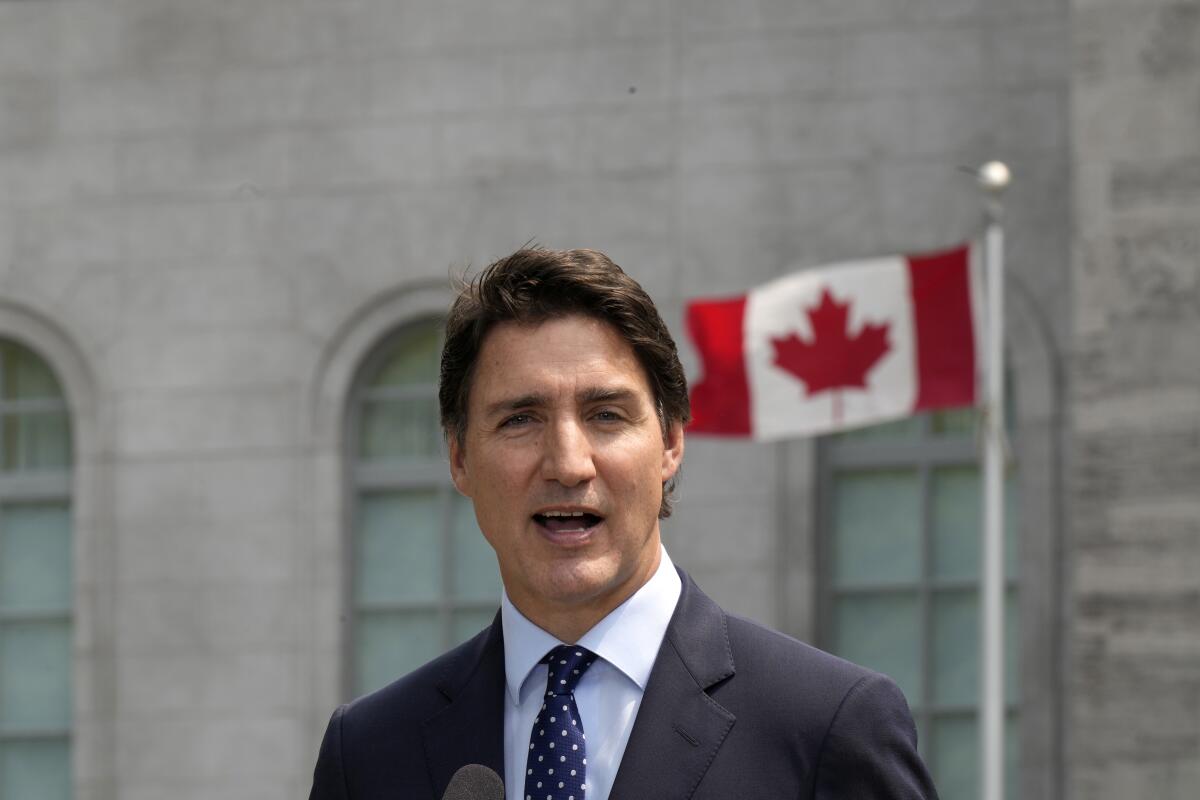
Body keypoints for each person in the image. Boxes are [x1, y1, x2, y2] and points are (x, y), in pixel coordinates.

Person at [308, 248, 938, 799]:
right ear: (459, 458)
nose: (568, 463)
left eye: (606, 415)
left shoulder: (825, 724)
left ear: (669, 443)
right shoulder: (367, 753)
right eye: (519, 419)